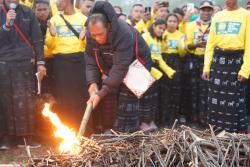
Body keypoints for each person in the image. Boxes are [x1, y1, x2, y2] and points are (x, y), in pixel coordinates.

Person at [85, 1, 162, 133]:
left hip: (136, 65)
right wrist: (92, 84)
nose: (96, 38)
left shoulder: (123, 32)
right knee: (109, 97)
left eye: (100, 34)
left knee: (127, 101)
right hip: (114, 65)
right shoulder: (90, 33)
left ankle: (130, 132)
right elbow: (91, 58)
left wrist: (101, 92)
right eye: (94, 35)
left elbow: (120, 67)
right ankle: (110, 129)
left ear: (108, 26)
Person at [0, 0, 46, 149]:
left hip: (25, 62)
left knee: (26, 101)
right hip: (4, 62)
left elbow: (38, 39)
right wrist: (6, 26)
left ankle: (26, 137)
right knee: (5, 102)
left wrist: (40, 62)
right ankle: (7, 138)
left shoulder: (28, 12)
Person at [202, 0, 250, 133]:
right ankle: (215, 133)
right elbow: (210, 43)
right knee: (215, 100)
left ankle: (233, 135)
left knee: (234, 100)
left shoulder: (246, 15)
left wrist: (246, 69)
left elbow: (249, 45)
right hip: (218, 63)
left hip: (236, 63)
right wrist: (207, 67)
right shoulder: (218, 16)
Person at [45, 0, 89, 133]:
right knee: (63, 97)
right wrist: (52, 35)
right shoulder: (54, 20)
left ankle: (83, 130)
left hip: (79, 61)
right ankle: (66, 130)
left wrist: (84, 38)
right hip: (60, 63)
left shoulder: (84, 19)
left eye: (59, 0)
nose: (57, 3)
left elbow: (89, 45)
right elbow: (50, 45)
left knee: (80, 96)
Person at [141, 19, 176, 129]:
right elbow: (139, 53)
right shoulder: (145, 36)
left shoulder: (159, 40)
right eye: (159, 28)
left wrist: (169, 71)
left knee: (153, 98)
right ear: (154, 26)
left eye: (163, 29)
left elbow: (159, 58)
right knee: (145, 97)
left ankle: (151, 121)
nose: (161, 31)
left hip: (156, 72)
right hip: (145, 69)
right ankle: (143, 122)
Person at [185, 0, 214, 127]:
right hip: (194, 59)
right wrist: (196, 44)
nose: (206, 12)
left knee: (207, 90)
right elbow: (187, 46)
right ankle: (194, 119)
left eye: (209, 9)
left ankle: (205, 118)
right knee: (193, 89)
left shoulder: (216, 25)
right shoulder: (191, 25)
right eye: (203, 9)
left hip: (209, 61)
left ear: (212, 11)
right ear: (199, 11)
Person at [161, 14, 186, 125]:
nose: (172, 23)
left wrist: (181, 44)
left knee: (175, 91)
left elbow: (182, 53)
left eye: (174, 21)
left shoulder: (181, 35)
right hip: (163, 61)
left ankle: (173, 118)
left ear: (178, 23)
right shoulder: (162, 33)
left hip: (176, 61)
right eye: (170, 21)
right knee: (164, 90)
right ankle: (163, 119)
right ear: (166, 22)